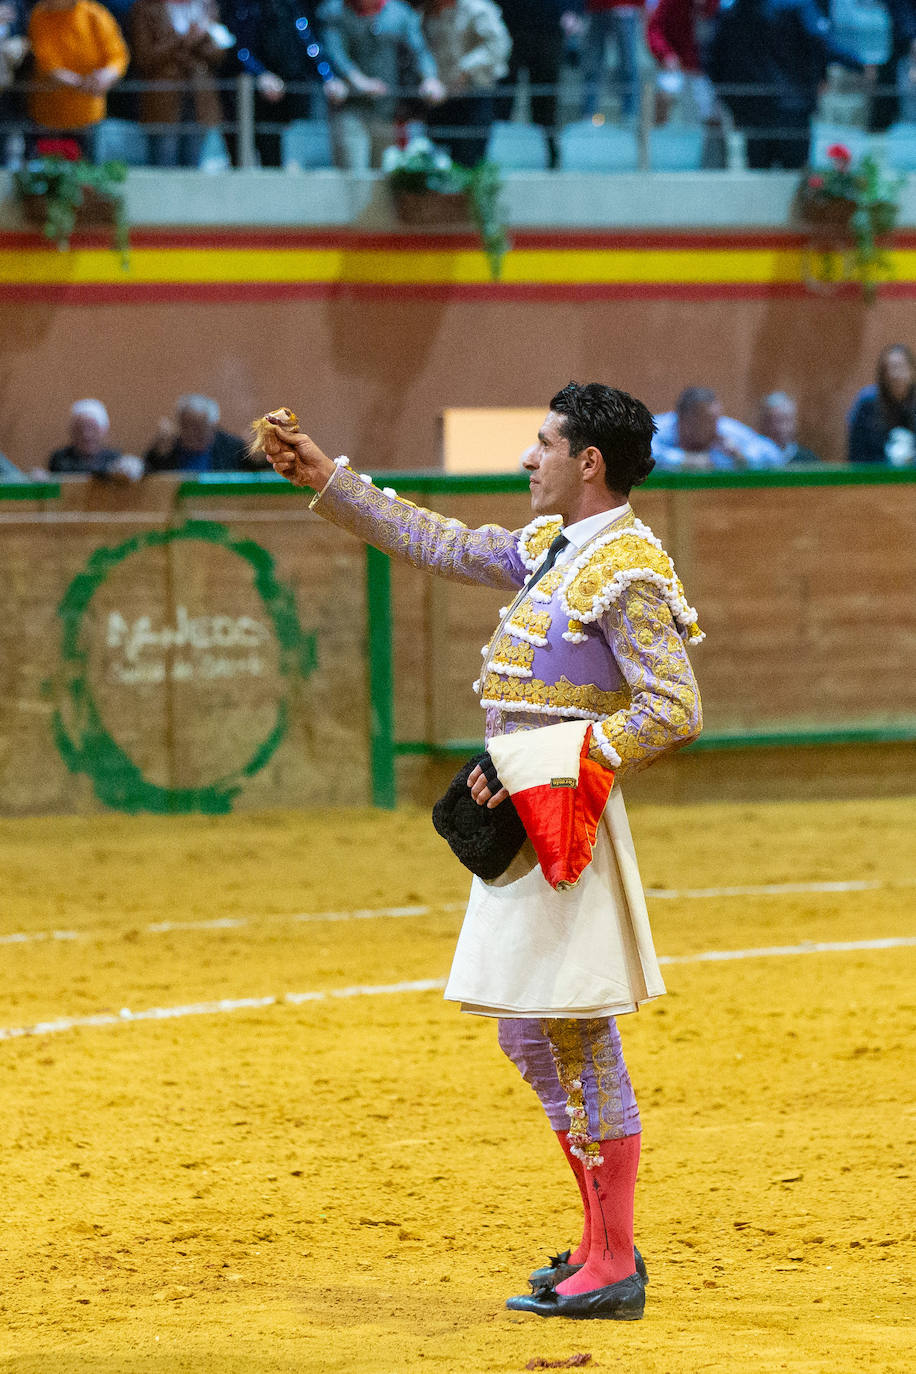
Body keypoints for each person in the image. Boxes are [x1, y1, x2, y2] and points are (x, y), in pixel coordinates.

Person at [255, 381, 704, 1320]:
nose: (526, 458)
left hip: (561, 822)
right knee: (532, 1029)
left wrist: (560, 766)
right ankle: (597, 1240)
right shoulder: (554, 548)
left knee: (574, 1033)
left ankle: (613, 1259)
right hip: (532, 827)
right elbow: (444, 544)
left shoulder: (623, 564)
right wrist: (330, 479)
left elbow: (675, 706)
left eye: (541, 443)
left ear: (588, 462)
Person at [707, 0, 867, 170]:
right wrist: (859, 63)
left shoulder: (734, 9)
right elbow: (820, 42)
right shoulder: (798, 5)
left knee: (758, 178)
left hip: (754, 109)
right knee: (795, 178)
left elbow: (713, 59)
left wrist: (733, 104)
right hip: (793, 109)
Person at [316, 0, 445, 169]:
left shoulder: (399, 13)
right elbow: (333, 51)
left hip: (387, 111)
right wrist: (358, 81)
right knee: (355, 176)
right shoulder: (334, 11)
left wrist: (430, 78)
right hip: (350, 109)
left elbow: (419, 49)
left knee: (384, 176)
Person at [130, 0, 230, 167]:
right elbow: (144, 57)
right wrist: (184, 39)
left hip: (199, 100)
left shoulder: (206, 6)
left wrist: (200, 37)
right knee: (164, 161)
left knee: (194, 165)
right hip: (162, 100)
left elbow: (219, 53)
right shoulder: (145, 7)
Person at [418, 0, 511, 165]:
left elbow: (499, 45)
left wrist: (465, 69)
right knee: (436, 161)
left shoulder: (478, 8)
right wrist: (429, 78)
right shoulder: (427, 11)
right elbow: (423, 49)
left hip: (475, 95)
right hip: (440, 97)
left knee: (469, 159)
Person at [27, 0, 129, 148]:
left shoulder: (94, 13)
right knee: (49, 166)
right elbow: (46, 62)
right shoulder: (40, 14)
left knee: (86, 166)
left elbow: (118, 55)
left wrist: (106, 75)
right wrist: (79, 83)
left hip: (88, 116)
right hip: (48, 116)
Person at [652, 386, 784, 469]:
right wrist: (685, 460)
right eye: (707, 421)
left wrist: (740, 456)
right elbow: (639, 455)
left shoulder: (724, 429)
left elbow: (773, 455)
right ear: (684, 420)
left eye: (716, 419)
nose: (715, 427)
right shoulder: (658, 428)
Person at [647, 0, 719, 124]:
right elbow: (654, 29)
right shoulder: (672, 3)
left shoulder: (717, 5)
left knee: (714, 113)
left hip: (707, 70)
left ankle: (714, 141)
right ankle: (658, 138)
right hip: (676, 65)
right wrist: (665, 54)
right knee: (664, 99)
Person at [35, 399, 144, 481]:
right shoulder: (60, 459)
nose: (86, 435)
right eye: (80, 429)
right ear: (72, 431)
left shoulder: (114, 458)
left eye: (92, 428)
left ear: (103, 431)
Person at [847, 342, 916, 465]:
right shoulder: (867, 404)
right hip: (874, 478)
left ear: (912, 370)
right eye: (891, 368)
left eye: (901, 367)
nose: (896, 375)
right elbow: (856, 455)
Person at [580, 0, 647, 122]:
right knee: (592, 66)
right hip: (596, 9)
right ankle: (588, 115)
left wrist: (639, 5)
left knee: (628, 66)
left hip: (624, 9)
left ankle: (630, 115)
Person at [144, 394, 250, 471]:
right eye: (186, 426)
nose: (191, 433)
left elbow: (256, 472)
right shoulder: (167, 447)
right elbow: (148, 473)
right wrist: (159, 456)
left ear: (212, 427)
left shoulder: (232, 448)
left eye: (198, 428)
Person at [757, 391, 821, 465]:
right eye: (774, 421)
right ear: (762, 423)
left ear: (795, 423)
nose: (780, 427)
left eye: (786, 420)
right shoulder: (750, 457)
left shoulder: (808, 460)